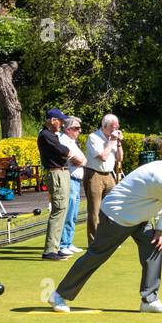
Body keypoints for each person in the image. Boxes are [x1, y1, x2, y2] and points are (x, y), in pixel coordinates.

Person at [50, 145, 162, 314]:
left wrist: (159, 231)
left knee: (155, 246)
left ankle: (149, 300)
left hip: (139, 218)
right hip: (116, 216)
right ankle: (58, 295)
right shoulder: (160, 177)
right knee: (96, 256)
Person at [38, 108, 84, 260]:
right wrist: (69, 153)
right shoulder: (45, 135)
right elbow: (62, 150)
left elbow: (64, 150)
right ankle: (50, 250)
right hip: (56, 173)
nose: (62, 124)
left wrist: (68, 152)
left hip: (61, 172)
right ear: (53, 121)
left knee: (63, 209)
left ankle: (55, 247)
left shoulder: (52, 135)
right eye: (60, 121)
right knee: (59, 210)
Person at [83, 114, 124, 245]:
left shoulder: (112, 138)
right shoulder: (93, 137)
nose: (115, 130)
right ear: (104, 126)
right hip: (94, 174)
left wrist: (118, 143)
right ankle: (94, 242)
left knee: (112, 207)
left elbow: (119, 158)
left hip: (109, 175)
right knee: (95, 210)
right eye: (113, 127)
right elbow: (103, 157)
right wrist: (112, 141)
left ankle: (109, 239)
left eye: (117, 127)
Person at [58, 117, 85, 256]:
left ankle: (68, 242)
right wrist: (81, 160)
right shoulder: (64, 140)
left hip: (76, 180)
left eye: (79, 128)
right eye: (76, 128)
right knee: (69, 212)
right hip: (70, 178)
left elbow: (83, 160)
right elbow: (78, 159)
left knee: (73, 213)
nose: (79, 131)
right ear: (68, 129)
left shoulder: (72, 142)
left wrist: (81, 160)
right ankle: (63, 244)